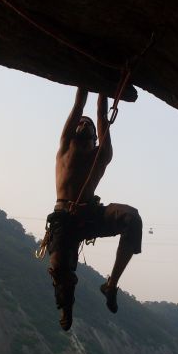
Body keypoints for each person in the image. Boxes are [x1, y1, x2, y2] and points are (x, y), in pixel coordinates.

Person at [45, 87, 142, 331]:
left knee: (132, 218)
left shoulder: (102, 155)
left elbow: (101, 114)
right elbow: (79, 103)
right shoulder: (65, 148)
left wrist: (104, 86)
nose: (83, 123)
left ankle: (111, 285)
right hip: (63, 217)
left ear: (95, 137)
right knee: (58, 266)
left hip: (90, 214)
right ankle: (66, 305)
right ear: (73, 131)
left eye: (88, 125)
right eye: (80, 123)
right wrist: (88, 78)